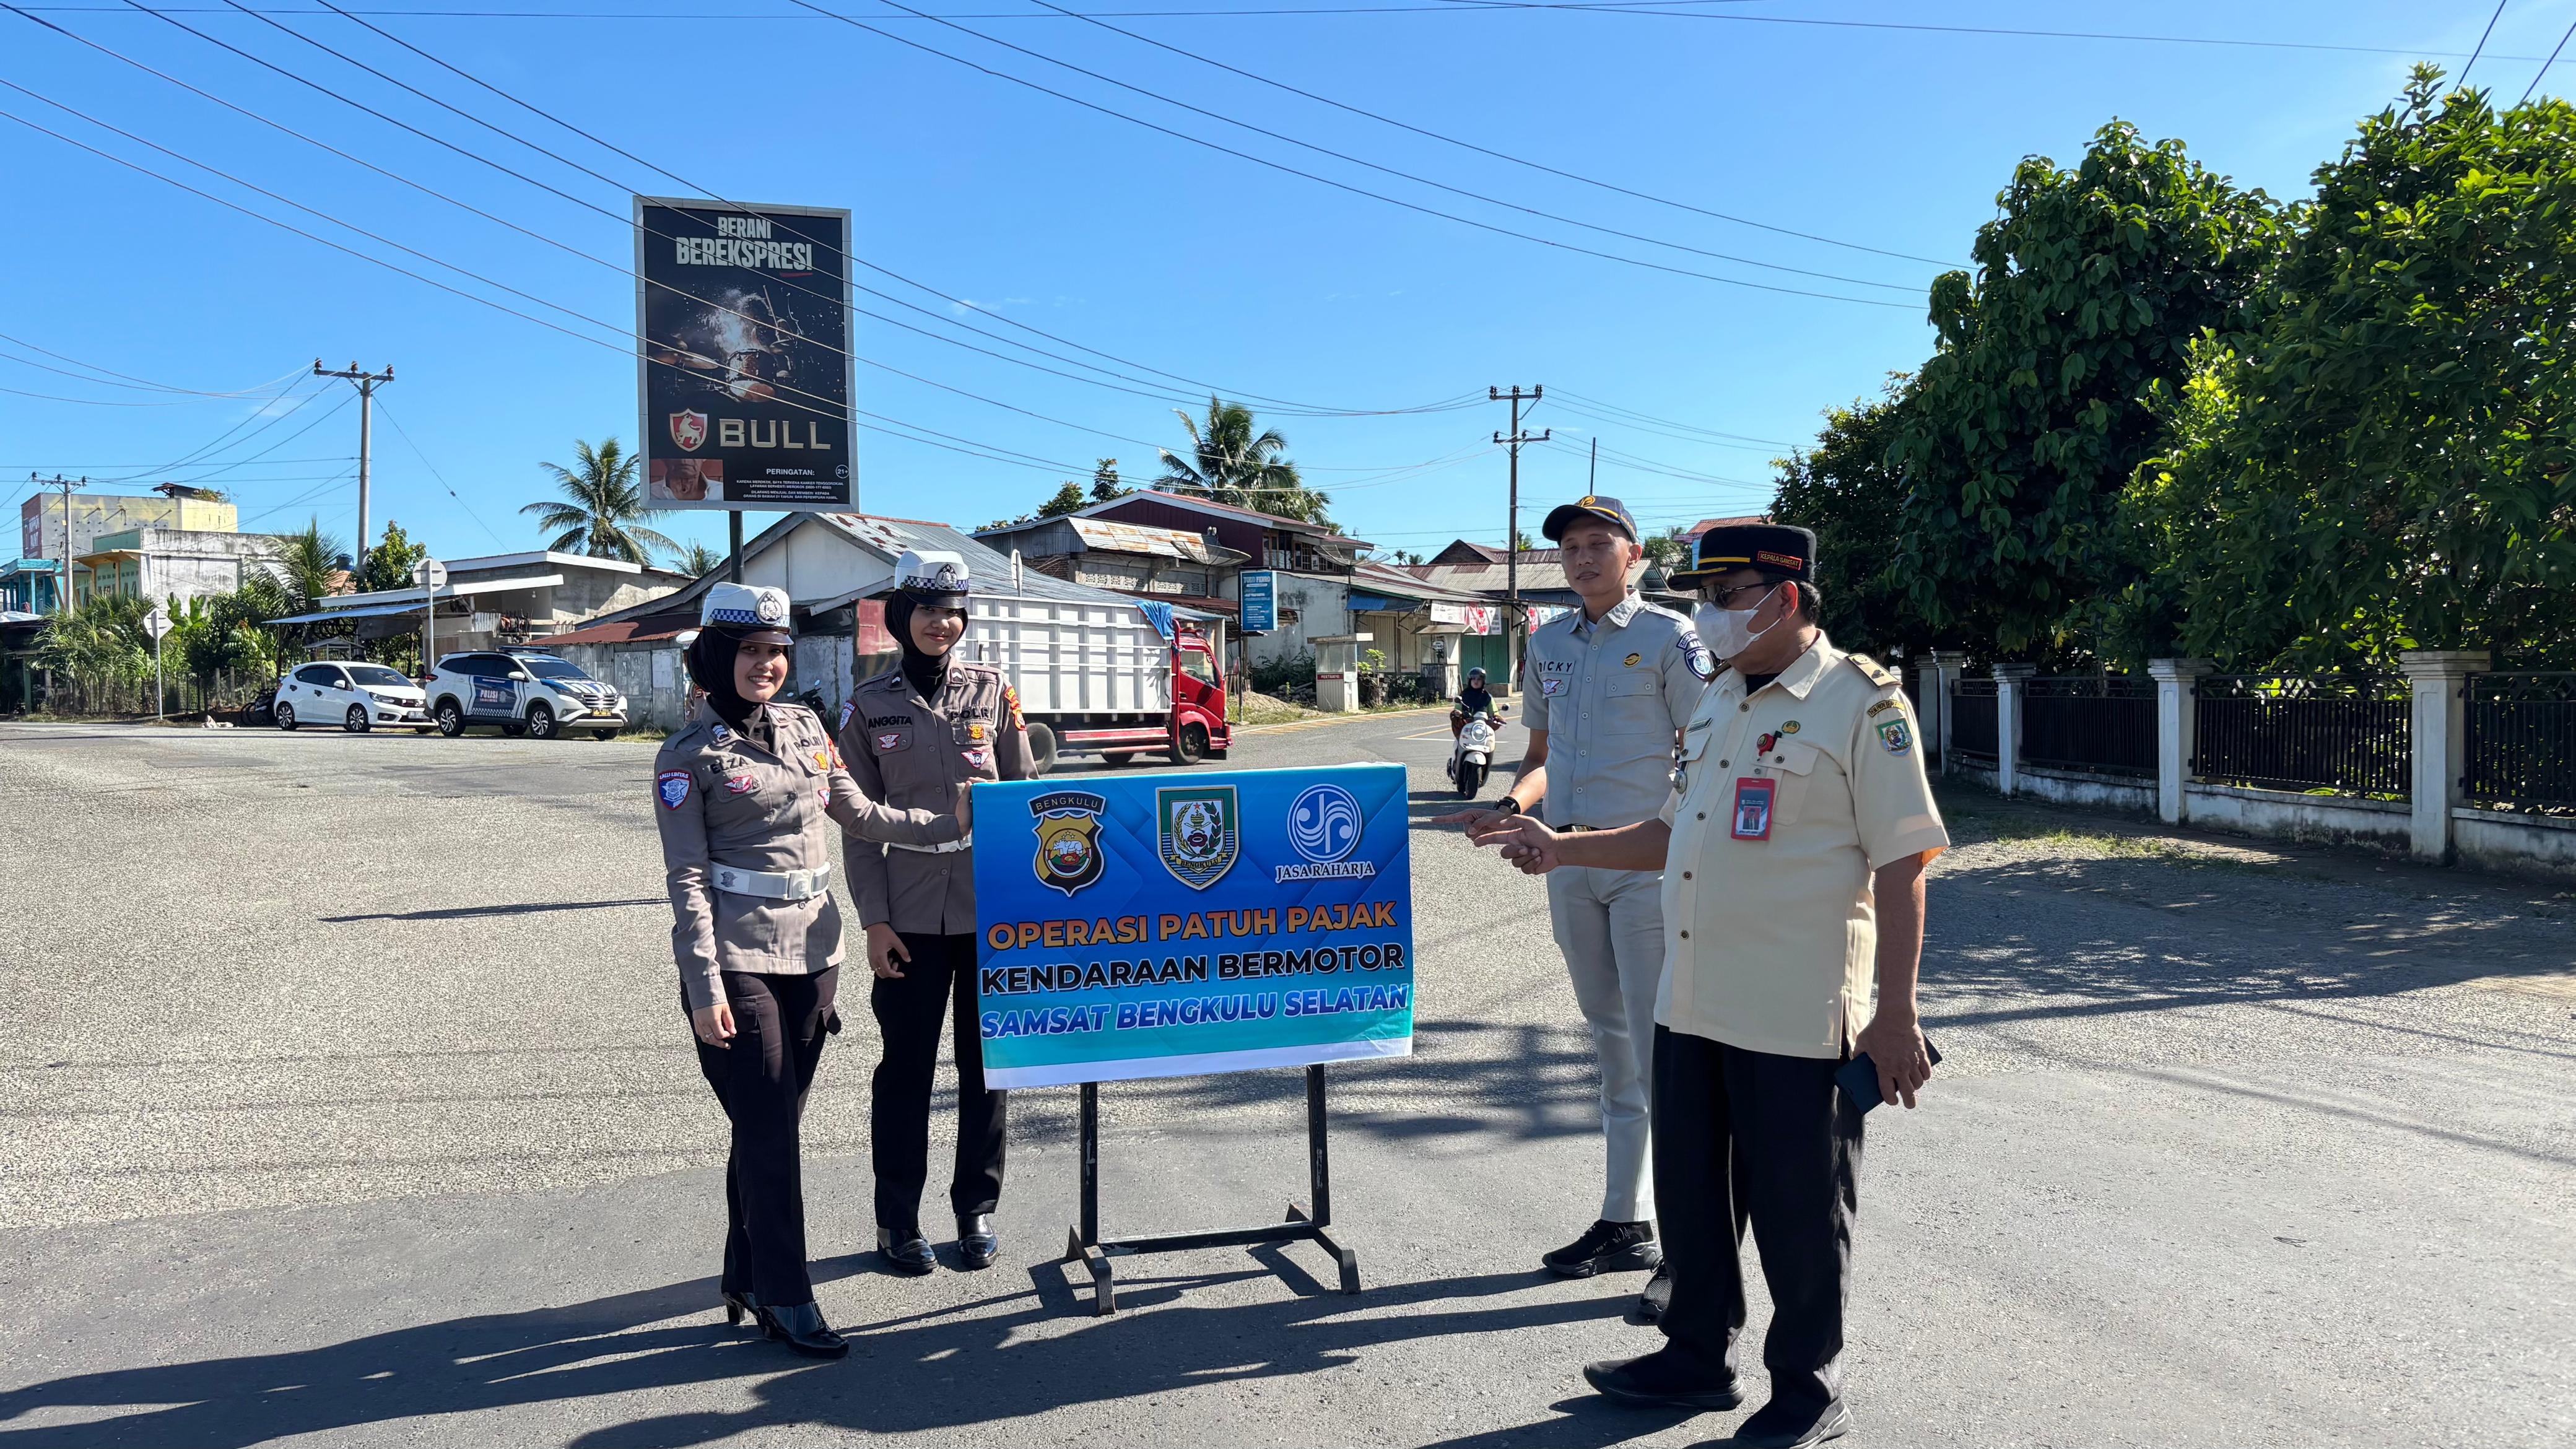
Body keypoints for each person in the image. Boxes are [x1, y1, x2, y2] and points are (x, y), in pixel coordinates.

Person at [1468, 523, 1947, 1449]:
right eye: (1706, 595)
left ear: (1787, 597)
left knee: (1800, 1214)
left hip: (1796, 1013)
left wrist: (1897, 1016)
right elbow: (1668, 830)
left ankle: (1807, 1392)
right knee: (1691, 1197)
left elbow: (1904, 864)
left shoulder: (1861, 705)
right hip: (1692, 1000)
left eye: (1727, 595)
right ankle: (1697, 1354)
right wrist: (1563, 847)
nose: (1710, 614)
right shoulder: (1722, 700)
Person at [654, 582, 968, 1360]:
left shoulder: (804, 727)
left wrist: (954, 820)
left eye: (776, 651)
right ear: (720, 656)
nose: (766, 664)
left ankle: (744, 1273)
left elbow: (859, 814)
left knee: (770, 1126)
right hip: (735, 961)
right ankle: (788, 1297)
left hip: (809, 953)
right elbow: (687, 880)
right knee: (770, 1136)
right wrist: (702, 987)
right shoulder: (687, 756)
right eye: (751, 651)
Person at [1443, 495, 1712, 1316]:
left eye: (1600, 544)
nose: (1582, 558)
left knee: (1667, 1048)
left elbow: (1708, 753)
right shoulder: (1548, 641)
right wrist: (1517, 809)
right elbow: (1544, 755)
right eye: (1570, 547)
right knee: (1612, 1040)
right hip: (1569, 862)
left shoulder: (1673, 638)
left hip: (1645, 865)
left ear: (1636, 555)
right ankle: (1625, 1221)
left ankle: (1691, 1252)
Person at [837, 549, 1033, 1276]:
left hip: (991, 917)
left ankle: (974, 1209)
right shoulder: (868, 706)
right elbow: (856, 825)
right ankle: (897, 1220)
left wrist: (1030, 913)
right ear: (900, 617)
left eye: (952, 610)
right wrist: (874, 922)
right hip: (910, 919)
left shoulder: (992, 692)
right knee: (905, 1073)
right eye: (926, 609)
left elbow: (1024, 799)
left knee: (988, 1068)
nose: (940, 623)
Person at [1449, 666, 1497, 738]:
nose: (1476, 681)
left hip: (1482, 730)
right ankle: (1459, 742)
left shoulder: (1487, 697)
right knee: (1454, 716)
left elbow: (1494, 712)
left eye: (1479, 679)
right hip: (1465, 730)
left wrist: (1496, 718)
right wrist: (1459, 714)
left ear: (1483, 681)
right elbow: (1457, 710)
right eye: (1473, 679)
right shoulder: (1463, 696)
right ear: (1469, 680)